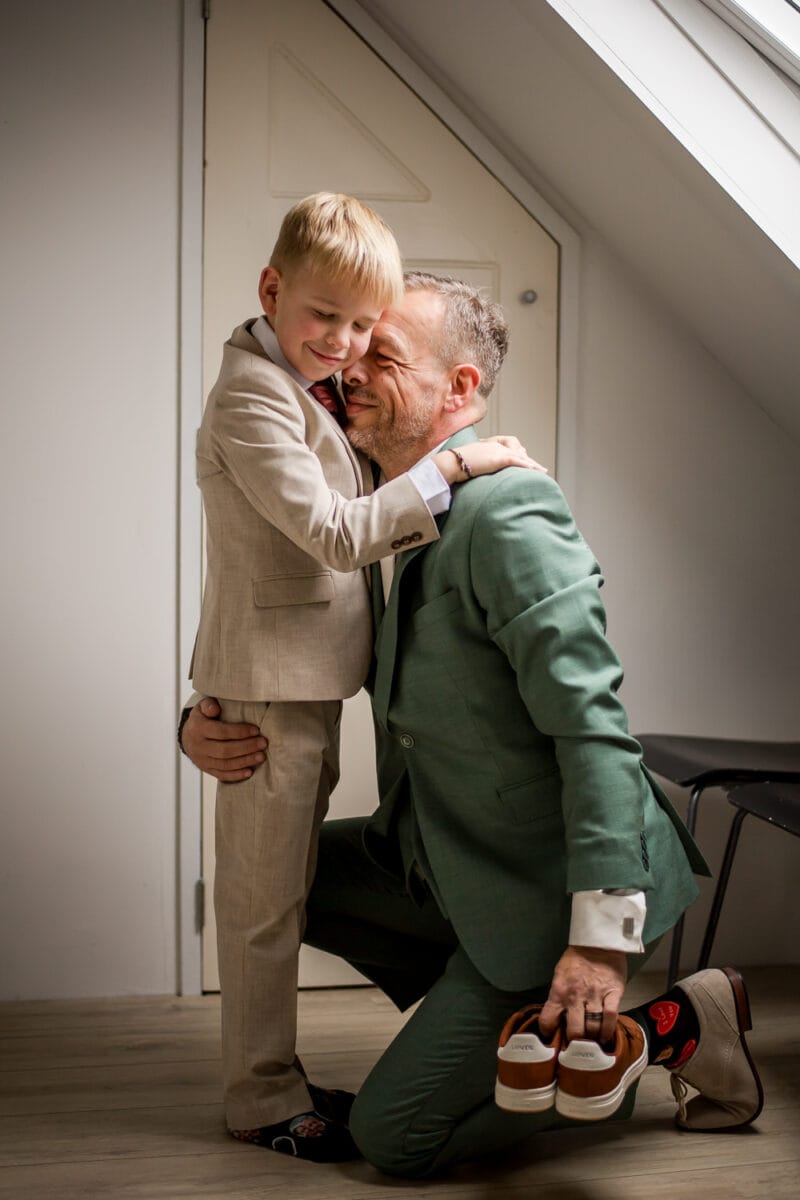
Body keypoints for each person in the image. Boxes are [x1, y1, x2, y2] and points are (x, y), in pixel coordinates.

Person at [183, 272, 763, 1177]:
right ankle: (485, 1007)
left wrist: (598, 944)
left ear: (460, 388)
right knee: (275, 881)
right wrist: (200, 718)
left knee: (394, 1138)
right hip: (445, 857)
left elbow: (595, 731)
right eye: (353, 346)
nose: (350, 369)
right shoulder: (376, 512)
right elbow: (277, 621)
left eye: (385, 356)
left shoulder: (510, 514)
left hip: (549, 890)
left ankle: (672, 1026)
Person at [186, 198, 540, 1162]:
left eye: (360, 329)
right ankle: (260, 1099)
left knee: (279, 894)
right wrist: (460, 463)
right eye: (325, 318)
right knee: (262, 909)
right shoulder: (253, 396)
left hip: (298, 684)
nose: (343, 346)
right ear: (271, 290)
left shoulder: (304, 385)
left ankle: (281, 1078)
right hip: (269, 690)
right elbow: (335, 535)